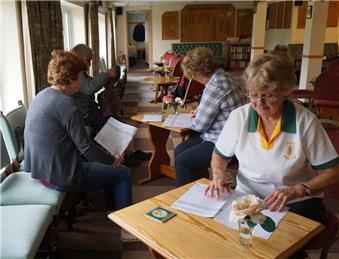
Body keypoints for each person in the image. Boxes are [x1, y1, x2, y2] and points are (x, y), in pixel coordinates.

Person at [206, 53, 339, 225]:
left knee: (276, 244)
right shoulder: (239, 117)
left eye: (268, 95)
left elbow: (332, 172)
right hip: (247, 197)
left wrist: (299, 190)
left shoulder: (304, 121)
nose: (259, 103)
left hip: (295, 199)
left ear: (284, 92)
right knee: (225, 234)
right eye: (253, 94)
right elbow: (220, 157)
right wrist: (218, 174)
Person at [24, 50, 137, 242]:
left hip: (39, 170)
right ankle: (127, 229)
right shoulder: (66, 104)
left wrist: (106, 159)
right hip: (59, 175)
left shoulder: (42, 95)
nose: (83, 81)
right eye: (82, 77)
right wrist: (113, 160)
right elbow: (85, 147)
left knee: (107, 167)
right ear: (73, 78)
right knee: (122, 172)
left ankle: (114, 212)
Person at [174, 47, 247, 187]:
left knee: (182, 161)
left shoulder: (214, 86)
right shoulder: (224, 77)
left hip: (224, 141)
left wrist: (192, 118)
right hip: (228, 134)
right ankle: (196, 185)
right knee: (179, 150)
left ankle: (185, 199)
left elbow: (200, 126)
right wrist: (200, 112)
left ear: (196, 72)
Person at [71, 44, 121, 131]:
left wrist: (105, 77)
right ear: (77, 57)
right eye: (88, 60)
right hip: (85, 116)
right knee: (116, 123)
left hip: (90, 112)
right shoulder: (75, 73)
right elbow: (89, 88)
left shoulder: (78, 71)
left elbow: (90, 82)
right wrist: (107, 74)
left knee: (115, 120)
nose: (89, 64)